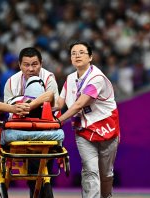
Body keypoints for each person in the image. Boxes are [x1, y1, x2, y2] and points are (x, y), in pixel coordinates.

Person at [57, 41, 120, 198]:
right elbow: (59, 103)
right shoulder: (70, 78)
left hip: (106, 129)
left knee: (106, 174)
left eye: (81, 52)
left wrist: (59, 121)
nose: (77, 55)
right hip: (84, 131)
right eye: (73, 53)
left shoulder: (96, 78)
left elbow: (79, 104)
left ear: (90, 57)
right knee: (90, 170)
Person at [3, 47, 59, 198]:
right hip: (21, 130)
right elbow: (8, 111)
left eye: (35, 64)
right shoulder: (11, 82)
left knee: (42, 173)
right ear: (20, 65)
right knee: (34, 175)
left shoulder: (49, 79)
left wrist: (31, 107)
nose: (31, 69)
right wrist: (18, 109)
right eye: (26, 65)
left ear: (41, 63)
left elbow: (55, 108)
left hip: (45, 130)